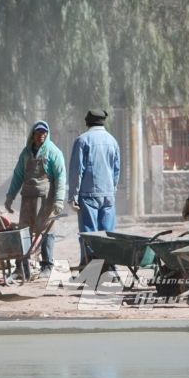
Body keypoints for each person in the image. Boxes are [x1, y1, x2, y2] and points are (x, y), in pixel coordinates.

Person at [4, 120, 66, 278]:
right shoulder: (25, 153)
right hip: (27, 198)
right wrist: (10, 197)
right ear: (33, 134)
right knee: (24, 231)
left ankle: (47, 266)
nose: (41, 135)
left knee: (46, 231)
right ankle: (22, 267)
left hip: (46, 199)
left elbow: (60, 177)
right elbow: (18, 175)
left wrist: (59, 200)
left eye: (44, 133)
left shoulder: (53, 152)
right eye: (38, 132)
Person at [68, 109, 120, 266]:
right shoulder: (113, 141)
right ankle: (108, 268)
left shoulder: (82, 140)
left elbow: (77, 171)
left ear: (87, 122)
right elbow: (116, 170)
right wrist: (112, 190)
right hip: (108, 195)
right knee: (107, 235)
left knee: (90, 235)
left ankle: (91, 271)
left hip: (88, 195)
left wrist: (72, 197)